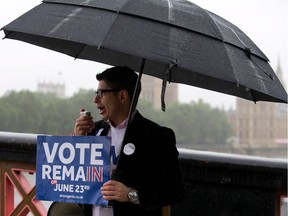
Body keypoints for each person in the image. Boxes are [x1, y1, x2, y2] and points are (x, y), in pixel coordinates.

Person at [72, 66, 185, 216]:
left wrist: (131, 194)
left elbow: (175, 190)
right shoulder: (92, 131)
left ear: (123, 96)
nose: (95, 99)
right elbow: (70, 178)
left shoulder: (157, 136)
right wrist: (75, 140)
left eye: (101, 93)